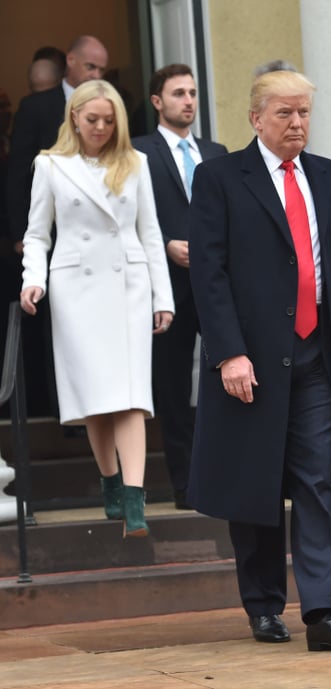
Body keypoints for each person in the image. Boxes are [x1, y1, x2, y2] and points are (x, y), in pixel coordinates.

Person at [187, 69, 331, 651]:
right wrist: (229, 354)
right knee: (255, 482)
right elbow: (209, 274)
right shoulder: (218, 178)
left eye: (304, 114)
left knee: (316, 477)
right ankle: (264, 607)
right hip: (254, 359)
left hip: (320, 356)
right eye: (285, 114)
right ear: (256, 118)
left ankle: (322, 612)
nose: (297, 124)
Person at [19, 80, 175, 537]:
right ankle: (109, 478)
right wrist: (34, 279)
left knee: (130, 398)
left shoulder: (137, 163)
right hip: (76, 290)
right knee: (95, 400)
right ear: (74, 117)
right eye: (93, 120)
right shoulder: (49, 166)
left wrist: (161, 297)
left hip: (127, 286)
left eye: (109, 121)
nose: (102, 128)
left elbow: (150, 233)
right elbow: (36, 234)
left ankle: (134, 499)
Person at [133, 64, 227, 510]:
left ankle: (224, 473)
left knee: (228, 374)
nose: (188, 101)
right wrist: (165, 244)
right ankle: (184, 484)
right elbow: (125, 215)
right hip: (165, 287)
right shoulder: (137, 153)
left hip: (216, 284)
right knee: (171, 387)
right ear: (157, 102)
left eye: (192, 93)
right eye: (177, 94)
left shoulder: (216, 151)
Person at [7, 36, 109, 421]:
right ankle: (66, 414)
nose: (97, 76)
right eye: (90, 67)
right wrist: (20, 233)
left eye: (101, 69)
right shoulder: (37, 108)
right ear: (70, 62)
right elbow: (19, 172)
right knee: (60, 328)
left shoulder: (110, 105)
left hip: (101, 242)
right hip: (53, 235)